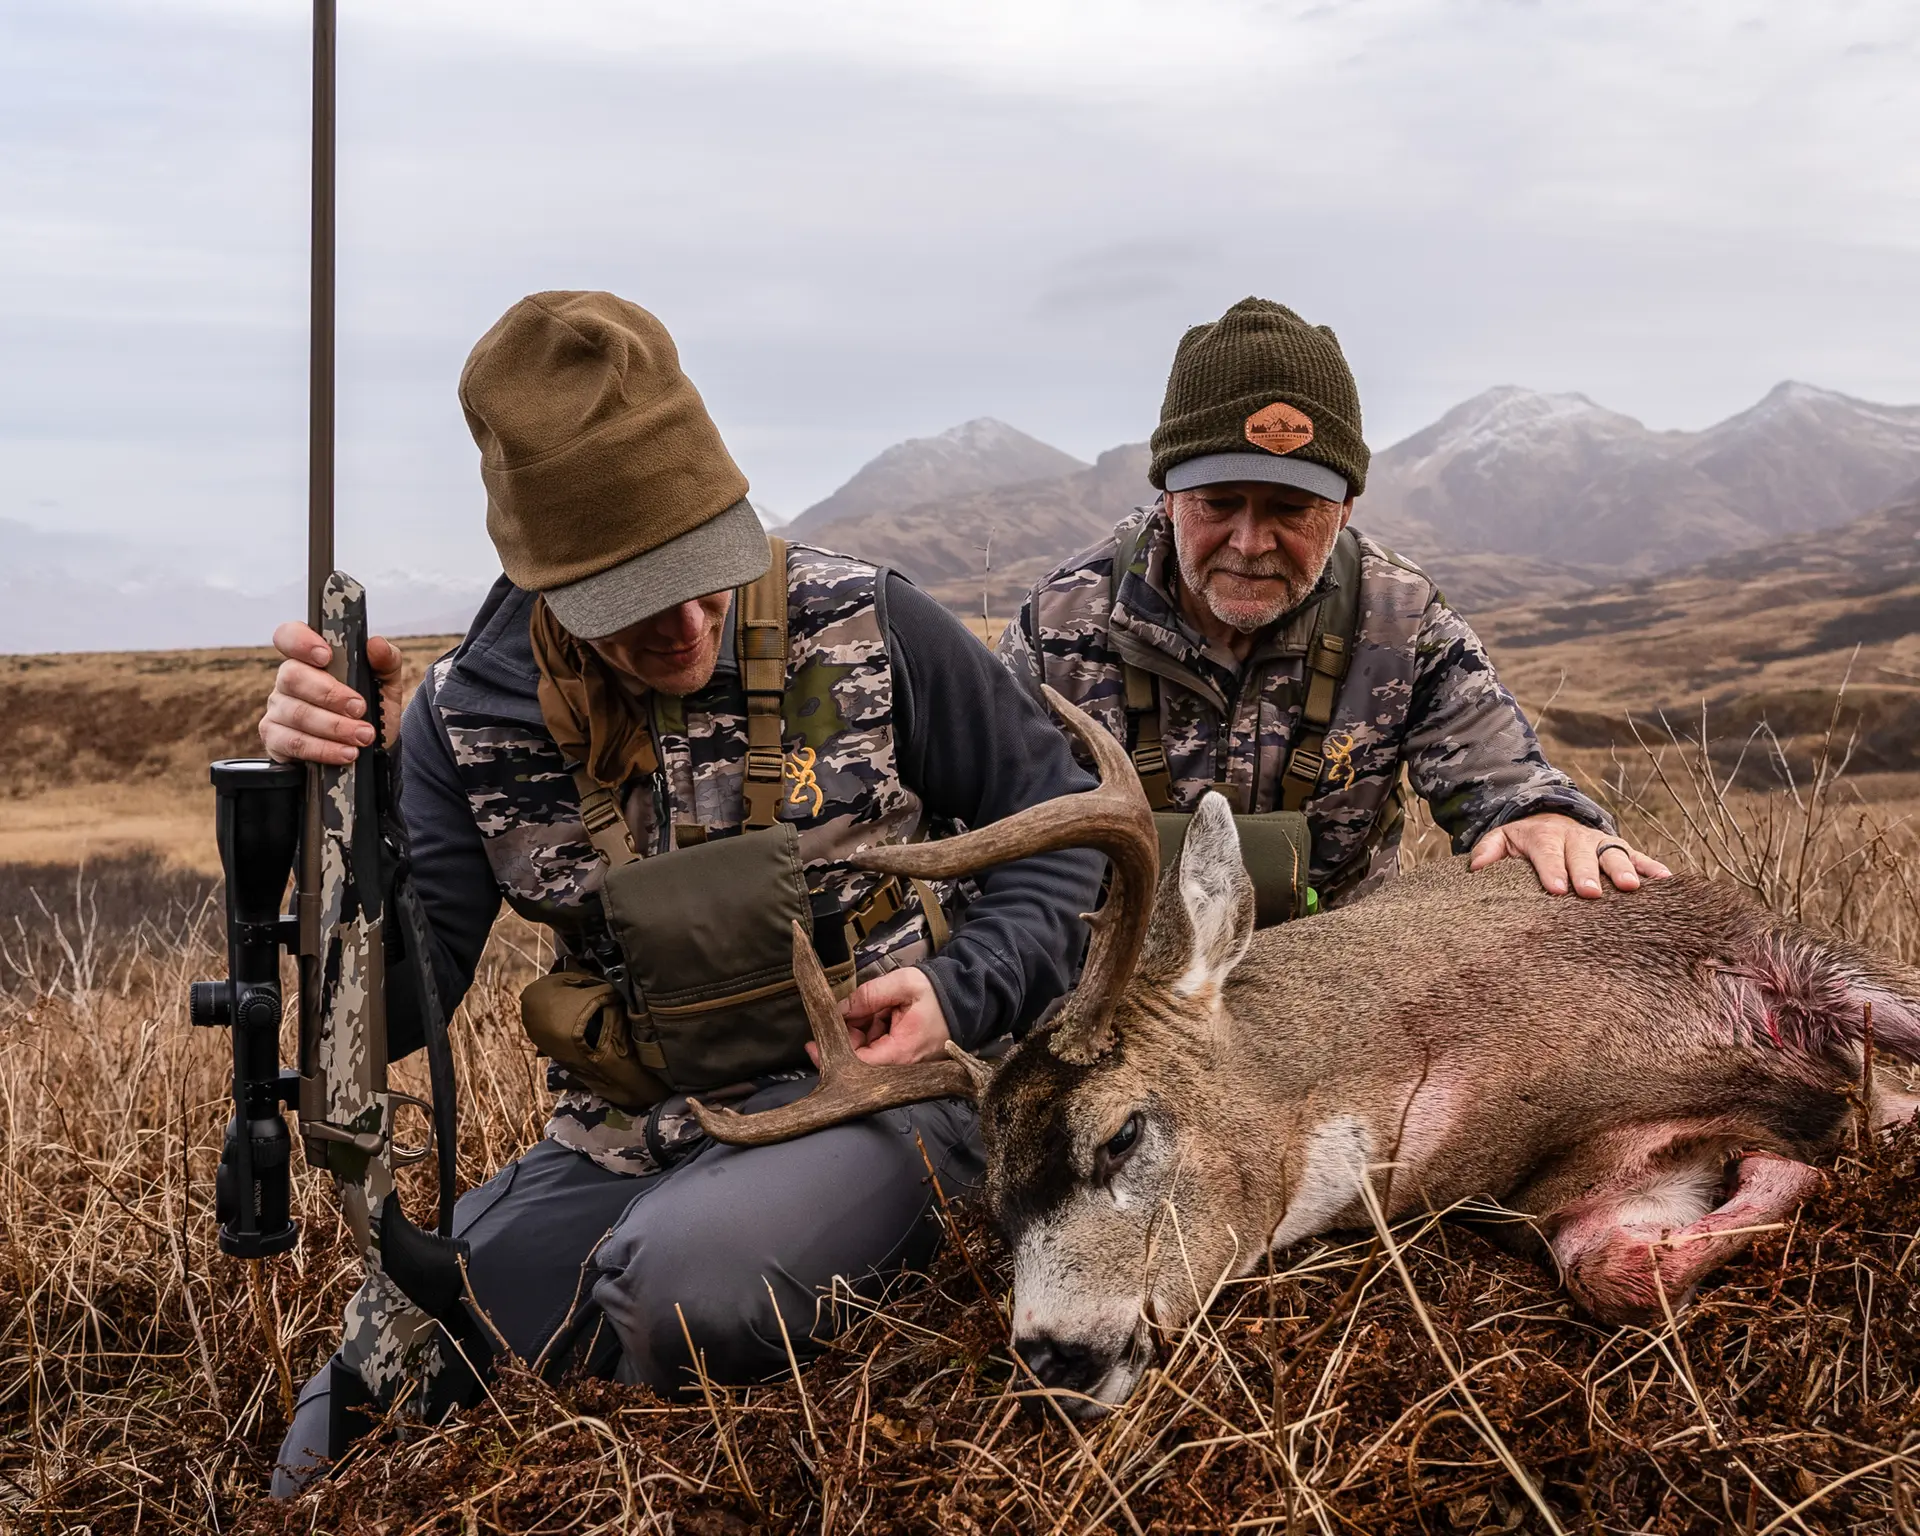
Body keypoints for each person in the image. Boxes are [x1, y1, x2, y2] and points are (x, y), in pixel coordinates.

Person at [260, 291, 1103, 1493]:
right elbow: (401, 1011)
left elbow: (1060, 840)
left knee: (684, 1284)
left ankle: (607, 1318)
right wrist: (338, 825)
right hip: (621, 1143)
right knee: (352, 1410)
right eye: (632, 598)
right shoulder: (463, 720)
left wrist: (959, 993)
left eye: (706, 561)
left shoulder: (867, 622)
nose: (691, 618)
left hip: (880, 1099)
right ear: (542, 578)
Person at [997, 297, 1665, 914]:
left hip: (1334, 997)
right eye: (1218, 504)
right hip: (1111, 983)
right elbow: (988, 822)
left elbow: (1506, 781)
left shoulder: (1402, 623)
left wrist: (1547, 819)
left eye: (1291, 509)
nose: (1251, 542)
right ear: (1169, 497)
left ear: (1344, 509)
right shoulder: (1061, 622)